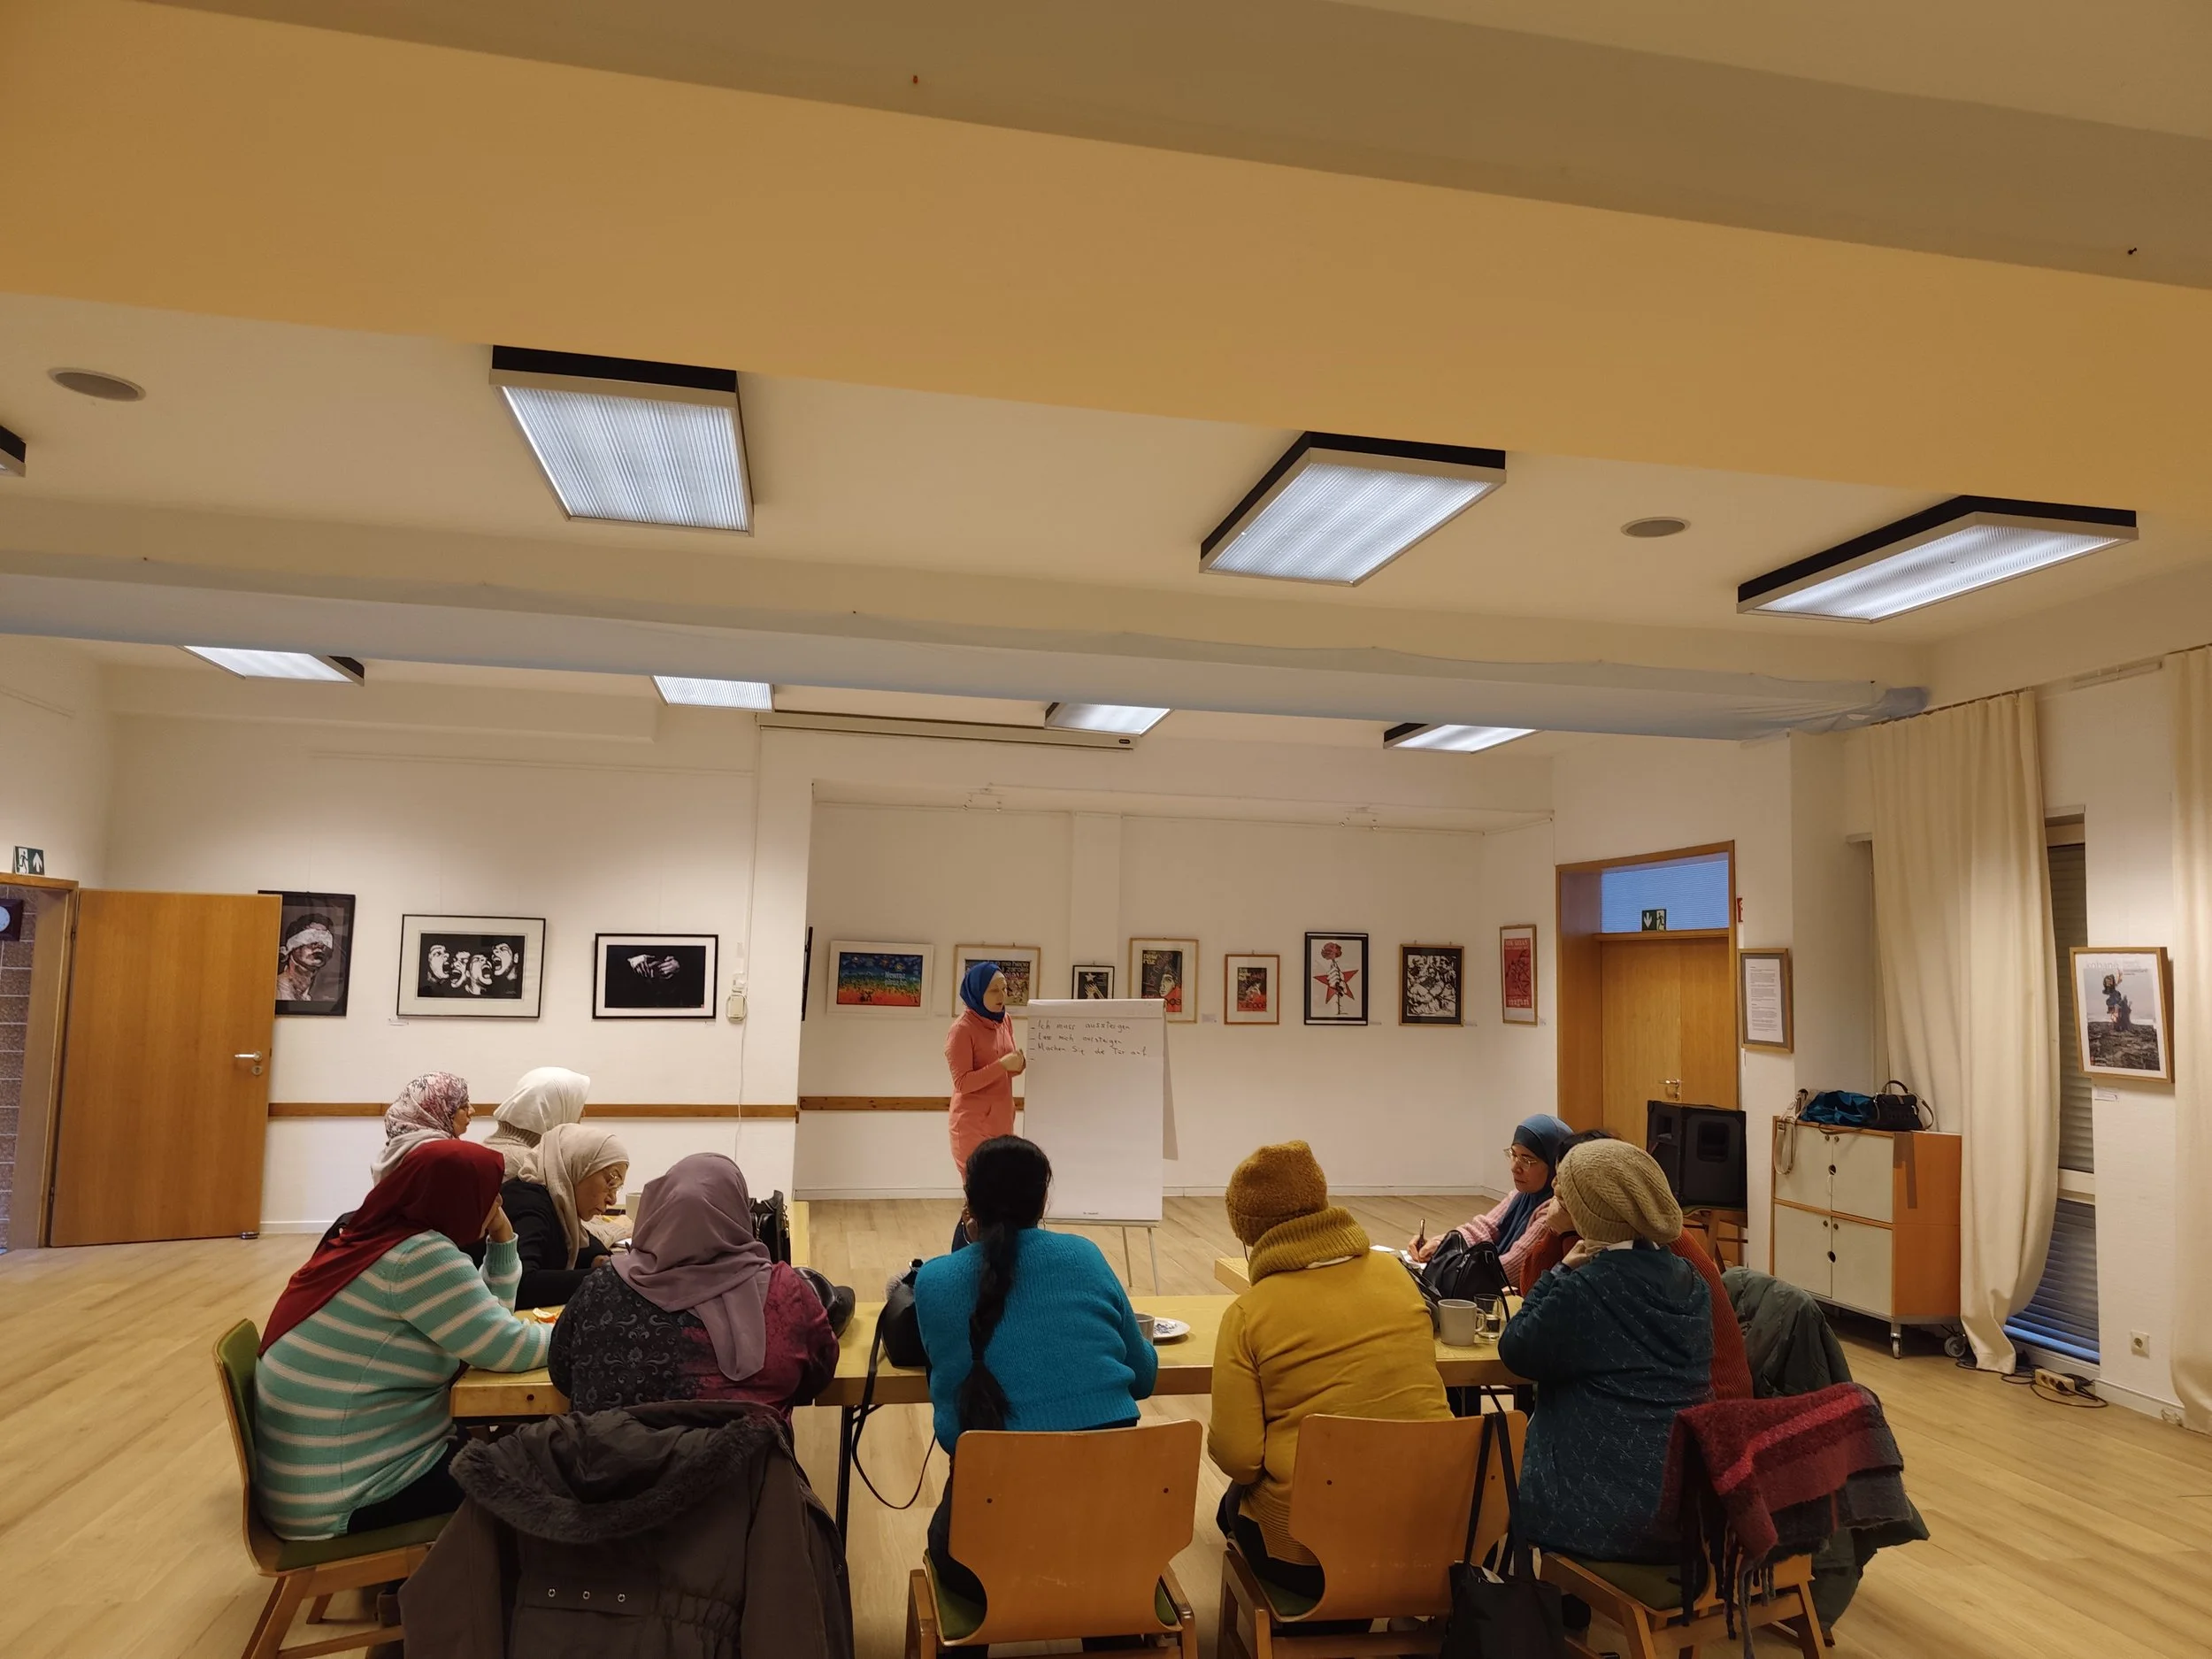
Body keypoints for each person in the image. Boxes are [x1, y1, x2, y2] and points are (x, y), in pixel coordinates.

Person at [254, 1139, 550, 1540]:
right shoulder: (419, 1257)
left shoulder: (374, 1237)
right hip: (351, 1494)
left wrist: (502, 1237)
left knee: (518, 1453)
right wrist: (585, 1330)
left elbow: (484, 1325)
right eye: (487, 1192)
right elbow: (510, 1348)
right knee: (542, 1478)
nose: (498, 1201)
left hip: (314, 1485)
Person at [914, 1136, 1156, 1607]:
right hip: (1107, 1546)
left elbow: (951, 1430)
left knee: (962, 1538)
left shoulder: (936, 1280)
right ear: (1043, 1200)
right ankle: (1111, 1629)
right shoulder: (1086, 1256)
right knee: (1097, 1567)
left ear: (969, 1204)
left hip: (984, 1557)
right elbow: (1143, 1378)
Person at [1210, 1141, 1451, 1605]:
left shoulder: (1250, 1312)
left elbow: (1238, 1458)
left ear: (1247, 1232)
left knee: (1230, 1509)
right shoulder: (1397, 1275)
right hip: (1433, 1532)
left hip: (1310, 1553)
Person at [1496, 1139, 1713, 1564]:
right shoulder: (1690, 1280)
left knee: (1485, 1466)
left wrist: (1560, 1271)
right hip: (1683, 1506)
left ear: (1591, 1212)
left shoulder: (1589, 1287)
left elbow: (1516, 1348)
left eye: (1566, 1195)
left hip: (1598, 1509)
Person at [549, 1153, 839, 1423]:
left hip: (611, 1460)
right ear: (740, 1213)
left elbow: (562, 1373)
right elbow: (816, 1377)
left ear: (657, 1209)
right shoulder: (786, 1293)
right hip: (744, 1460)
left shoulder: (599, 1289)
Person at [1516, 1130, 1754, 1401]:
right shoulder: (1615, 1230)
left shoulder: (1652, 1242)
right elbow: (1533, 1293)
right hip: (1672, 1394)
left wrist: (1566, 1233)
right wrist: (1557, 1231)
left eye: (1566, 1182)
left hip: (1708, 1402)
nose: (1557, 1189)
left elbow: (1550, 1321)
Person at [1409, 1111, 1573, 1286]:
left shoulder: (1555, 1211)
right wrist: (1440, 1244)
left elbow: (1510, 1269)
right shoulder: (1520, 1195)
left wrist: (1449, 1265)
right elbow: (1485, 1229)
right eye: (1514, 1155)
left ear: (1555, 1165)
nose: (1515, 1167)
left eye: (1527, 1160)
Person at [943, 960, 1025, 1254]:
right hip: (972, 1127)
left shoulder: (1005, 1021)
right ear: (977, 992)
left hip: (1001, 1122)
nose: (1002, 995)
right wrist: (1002, 1065)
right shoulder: (961, 1029)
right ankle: (963, 1261)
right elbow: (963, 1082)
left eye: (1005, 988)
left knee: (1002, 1199)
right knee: (979, 1202)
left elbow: (1007, 1068)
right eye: (994, 990)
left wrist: (1017, 1065)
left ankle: (995, 1262)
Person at [503, 1121, 628, 1308]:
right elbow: (522, 1285)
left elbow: (578, 1238)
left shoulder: (555, 1201)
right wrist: (606, 1278)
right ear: (578, 1165)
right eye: (611, 1183)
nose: (612, 1199)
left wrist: (598, 1258)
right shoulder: (528, 1203)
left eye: (617, 1188)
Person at [483, 1065, 592, 1175]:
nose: (583, 1113)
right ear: (553, 1109)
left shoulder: (497, 1147)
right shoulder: (527, 1164)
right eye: (577, 1107)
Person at [371, 1071, 472, 1183]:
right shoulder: (439, 1155)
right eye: (463, 1106)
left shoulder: (395, 1151)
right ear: (436, 1110)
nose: (472, 1111)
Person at [275, 915, 337, 1003]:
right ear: (292, 945)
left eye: (325, 938)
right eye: (311, 937)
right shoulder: (275, 990)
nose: (320, 944)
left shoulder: (323, 996)